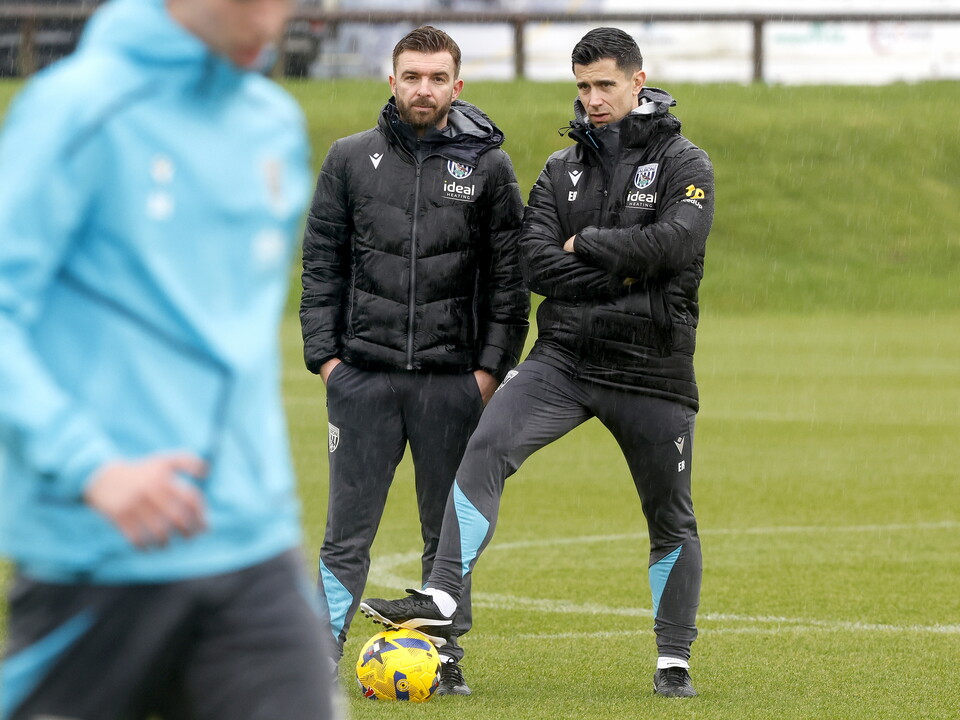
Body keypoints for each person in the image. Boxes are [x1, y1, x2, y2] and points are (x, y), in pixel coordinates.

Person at [0, 1, 338, 718]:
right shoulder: (77, 109)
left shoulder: (273, 125)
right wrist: (90, 464)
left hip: (253, 552)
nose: (269, 21)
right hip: (99, 553)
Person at [360, 27, 715, 699]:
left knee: (670, 514)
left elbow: (677, 243)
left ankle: (674, 658)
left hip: (652, 366)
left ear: (638, 81)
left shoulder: (683, 163)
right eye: (582, 87)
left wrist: (592, 246)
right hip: (564, 359)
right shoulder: (562, 169)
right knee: (486, 444)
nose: (593, 99)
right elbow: (536, 263)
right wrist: (621, 268)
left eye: (605, 84)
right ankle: (442, 593)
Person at [299, 25, 528, 696]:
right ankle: (318, 663)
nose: (422, 88)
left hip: (451, 383)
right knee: (346, 535)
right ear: (391, 80)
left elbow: (508, 283)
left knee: (445, 533)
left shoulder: (489, 168)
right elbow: (320, 269)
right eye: (411, 76)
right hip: (362, 381)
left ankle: (443, 658)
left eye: (436, 78)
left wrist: (487, 372)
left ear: (457, 87)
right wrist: (328, 362)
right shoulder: (348, 159)